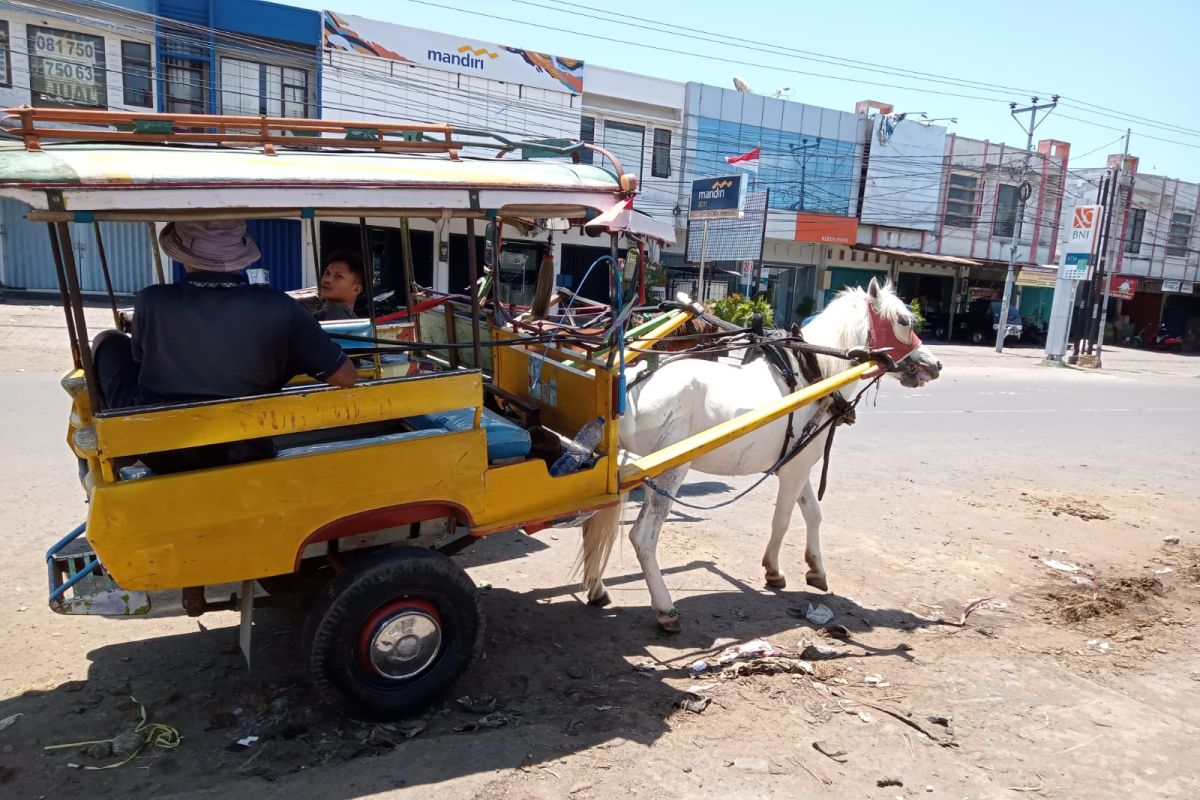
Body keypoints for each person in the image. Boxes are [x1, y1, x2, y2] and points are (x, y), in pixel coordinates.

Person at [93, 220, 356, 473]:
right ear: (240, 256)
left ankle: (117, 450)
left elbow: (141, 361)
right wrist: (288, 358)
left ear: (183, 255)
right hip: (249, 447)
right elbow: (345, 376)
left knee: (108, 341)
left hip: (162, 454)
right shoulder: (279, 305)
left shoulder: (152, 299)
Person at [313, 251, 365, 321]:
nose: (327, 280)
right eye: (327, 273)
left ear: (356, 289)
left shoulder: (335, 312)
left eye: (338, 276)